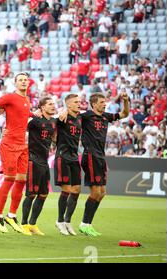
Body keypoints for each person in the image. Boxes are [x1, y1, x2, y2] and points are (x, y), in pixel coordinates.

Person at [78, 92, 129, 236]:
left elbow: (124, 113)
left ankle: (88, 224)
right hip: (90, 156)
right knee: (96, 192)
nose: (104, 104)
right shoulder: (86, 115)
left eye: (105, 101)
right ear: (94, 104)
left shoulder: (106, 116)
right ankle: (84, 224)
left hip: (100, 157)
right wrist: (64, 111)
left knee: (102, 193)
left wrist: (125, 100)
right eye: (101, 102)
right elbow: (71, 115)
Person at [0, 72, 35, 235]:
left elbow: (22, 115)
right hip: (10, 142)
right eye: (21, 80)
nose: (24, 82)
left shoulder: (26, 100)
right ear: (15, 83)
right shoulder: (10, 97)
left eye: (26, 80)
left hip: (23, 144)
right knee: (9, 178)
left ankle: (11, 215)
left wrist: (33, 114)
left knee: (22, 179)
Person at [21, 97, 57, 236]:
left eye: (54, 104)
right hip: (33, 160)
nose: (53, 106)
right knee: (31, 194)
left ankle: (32, 224)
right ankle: (24, 224)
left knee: (43, 194)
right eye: (50, 104)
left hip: (44, 161)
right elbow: (21, 127)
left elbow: (54, 137)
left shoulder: (53, 122)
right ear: (42, 107)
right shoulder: (35, 121)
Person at [54, 93, 82, 236]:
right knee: (66, 190)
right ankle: (59, 220)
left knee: (76, 190)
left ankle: (67, 221)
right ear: (68, 104)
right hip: (62, 156)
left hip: (74, 157)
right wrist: (61, 112)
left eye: (80, 101)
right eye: (76, 102)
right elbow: (52, 124)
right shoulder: (62, 118)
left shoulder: (79, 118)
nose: (79, 103)